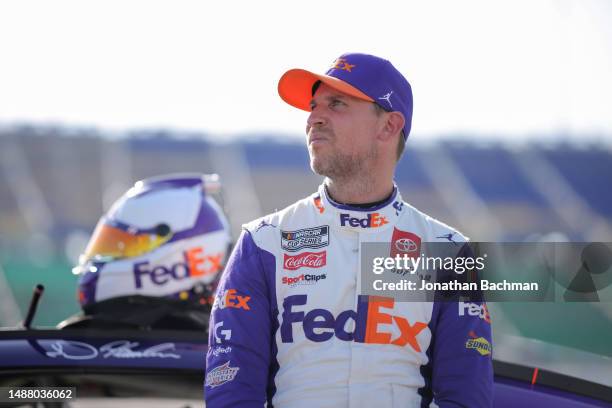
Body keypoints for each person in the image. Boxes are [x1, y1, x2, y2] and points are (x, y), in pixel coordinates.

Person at [205, 53, 493, 407]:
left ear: (388, 126)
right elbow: (232, 389)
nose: (313, 118)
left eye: (336, 103)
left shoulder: (448, 251)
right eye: (313, 106)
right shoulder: (263, 243)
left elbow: (465, 395)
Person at [58, 173, 232, 331]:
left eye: (131, 245)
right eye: (111, 244)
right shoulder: (219, 349)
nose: (115, 255)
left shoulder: (61, 348)